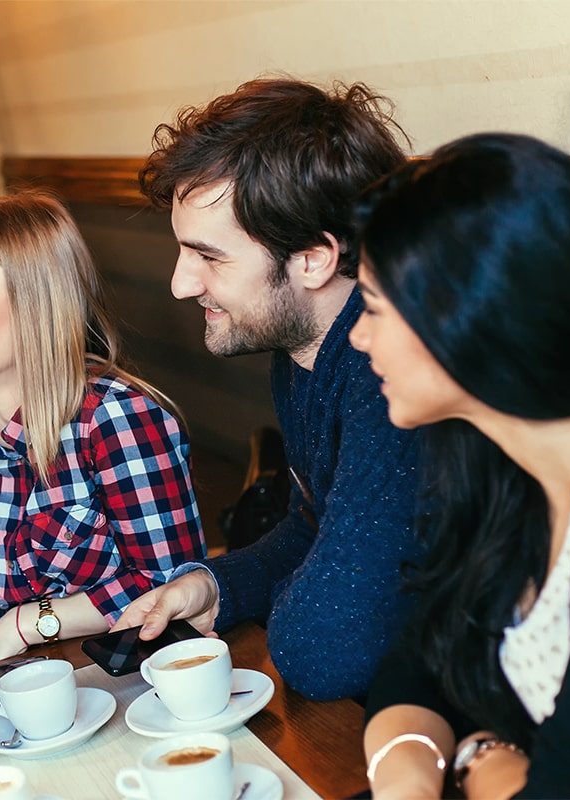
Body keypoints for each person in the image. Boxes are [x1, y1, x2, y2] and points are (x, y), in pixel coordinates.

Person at [113, 78, 425, 701]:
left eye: (209, 256)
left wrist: (287, 602)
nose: (180, 284)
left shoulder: (395, 379)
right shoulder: (301, 347)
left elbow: (324, 653)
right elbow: (315, 527)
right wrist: (218, 585)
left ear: (312, 259)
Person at [355, 134, 570, 798]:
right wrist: (408, 776)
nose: (359, 336)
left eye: (374, 309)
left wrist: (477, 758)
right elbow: (421, 661)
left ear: (468, 317)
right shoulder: (496, 459)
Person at [0, 192, 206, 673]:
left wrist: (28, 623)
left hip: (122, 682)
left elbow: (170, 584)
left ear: (36, 302)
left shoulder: (115, 419)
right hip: (5, 697)